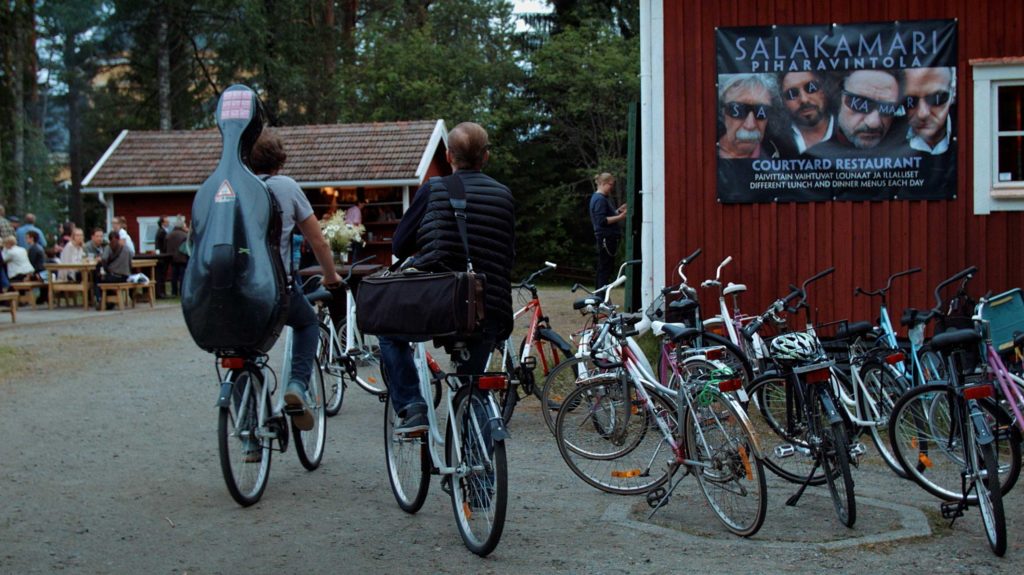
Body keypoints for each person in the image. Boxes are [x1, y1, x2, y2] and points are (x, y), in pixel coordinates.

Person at [380, 122, 515, 434]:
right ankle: (479, 472)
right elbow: (508, 253)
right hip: (489, 308)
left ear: (448, 155)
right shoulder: (504, 196)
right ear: (486, 157)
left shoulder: (434, 189)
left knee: (387, 331)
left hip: (438, 305)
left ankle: (412, 406)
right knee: (474, 385)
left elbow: (399, 245)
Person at [249, 129, 343, 435]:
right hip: (276, 289)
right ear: (280, 160)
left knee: (238, 354)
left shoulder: (235, 186)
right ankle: (297, 386)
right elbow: (318, 240)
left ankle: (249, 435)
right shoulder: (286, 187)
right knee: (307, 325)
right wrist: (330, 276)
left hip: (237, 291)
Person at [809, 69, 905, 156]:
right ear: (837, 99)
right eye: (859, 104)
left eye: (887, 108)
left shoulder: (912, 159)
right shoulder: (812, 161)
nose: (873, 123)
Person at [717, 73, 780, 159]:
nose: (750, 125)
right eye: (739, 110)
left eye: (761, 111)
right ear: (722, 111)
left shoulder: (778, 154)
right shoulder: (704, 150)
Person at [778, 71, 834, 155]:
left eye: (811, 88)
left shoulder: (848, 132)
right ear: (782, 101)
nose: (804, 100)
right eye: (792, 94)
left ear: (824, 89)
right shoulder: (776, 141)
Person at [589, 172, 627, 295]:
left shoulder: (600, 198)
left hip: (605, 238)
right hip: (606, 239)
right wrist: (621, 216)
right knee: (605, 269)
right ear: (604, 184)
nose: (612, 187)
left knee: (603, 269)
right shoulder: (600, 199)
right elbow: (602, 220)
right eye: (611, 184)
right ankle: (600, 298)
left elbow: (604, 216)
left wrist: (617, 211)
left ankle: (599, 296)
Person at [903, 67, 955, 155]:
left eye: (936, 99)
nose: (922, 114)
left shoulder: (969, 131)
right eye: (910, 101)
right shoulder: (888, 140)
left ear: (952, 94)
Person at [93, 232, 132, 309]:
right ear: (119, 238)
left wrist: (106, 270)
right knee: (106, 279)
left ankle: (100, 300)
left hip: (114, 276)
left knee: (98, 279)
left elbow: (104, 259)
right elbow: (130, 263)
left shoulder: (109, 247)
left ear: (109, 239)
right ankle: (109, 301)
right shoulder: (127, 248)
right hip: (125, 277)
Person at [165, 220, 188, 297]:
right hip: (182, 258)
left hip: (172, 258)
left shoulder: (169, 235)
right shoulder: (185, 235)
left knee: (174, 276)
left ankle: (174, 292)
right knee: (182, 276)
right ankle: (182, 291)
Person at [154, 215, 170, 298]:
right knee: (161, 275)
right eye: (167, 222)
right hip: (162, 256)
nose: (168, 223)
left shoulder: (161, 231)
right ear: (162, 223)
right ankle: (161, 293)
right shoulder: (162, 232)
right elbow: (163, 245)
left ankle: (161, 292)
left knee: (161, 275)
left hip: (161, 256)